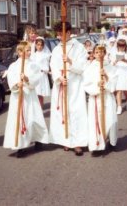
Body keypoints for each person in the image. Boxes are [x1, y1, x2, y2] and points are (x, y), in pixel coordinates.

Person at [49, 21, 88, 156]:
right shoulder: (56, 49)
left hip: (75, 85)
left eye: (61, 33)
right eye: (58, 33)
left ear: (69, 33)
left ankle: (77, 142)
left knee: (76, 112)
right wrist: (59, 78)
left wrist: (71, 63)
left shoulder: (79, 48)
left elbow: (83, 67)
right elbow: (53, 66)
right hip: (61, 84)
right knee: (62, 113)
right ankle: (65, 140)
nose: (59, 36)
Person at [3, 41, 49, 157]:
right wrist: (16, 84)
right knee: (19, 119)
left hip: (30, 96)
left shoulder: (33, 65)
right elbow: (11, 78)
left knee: (33, 118)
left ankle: (38, 139)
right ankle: (20, 145)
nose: (29, 52)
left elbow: (37, 78)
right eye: (27, 50)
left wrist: (28, 79)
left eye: (29, 50)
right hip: (18, 96)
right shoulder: (13, 66)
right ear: (19, 52)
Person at [83, 45, 118, 155]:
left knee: (110, 119)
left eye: (102, 52)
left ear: (105, 53)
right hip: (96, 97)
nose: (99, 54)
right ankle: (97, 144)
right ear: (93, 54)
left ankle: (110, 141)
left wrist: (106, 77)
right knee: (96, 120)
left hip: (107, 96)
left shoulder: (110, 67)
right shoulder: (90, 67)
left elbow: (114, 82)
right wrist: (97, 85)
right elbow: (86, 83)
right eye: (97, 52)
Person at [30, 37, 51, 108]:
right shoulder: (33, 55)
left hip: (41, 76)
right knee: (34, 94)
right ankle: (35, 110)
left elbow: (46, 68)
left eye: (41, 45)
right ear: (35, 45)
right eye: (38, 45)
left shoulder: (45, 55)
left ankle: (40, 110)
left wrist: (41, 69)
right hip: (34, 75)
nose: (39, 46)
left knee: (40, 94)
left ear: (43, 45)